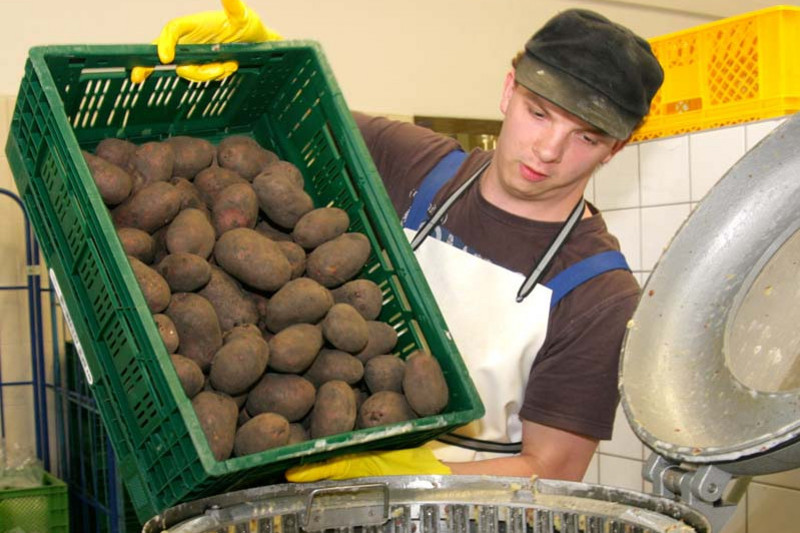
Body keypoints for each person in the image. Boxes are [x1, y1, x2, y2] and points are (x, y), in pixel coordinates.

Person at [133, 0, 664, 482]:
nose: (548, 150)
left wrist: (411, 473)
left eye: (585, 137)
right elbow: (293, 112)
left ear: (612, 152)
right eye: (539, 113)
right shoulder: (413, 163)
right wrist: (263, 59)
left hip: (456, 516)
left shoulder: (598, 294)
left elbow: (552, 471)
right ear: (508, 91)